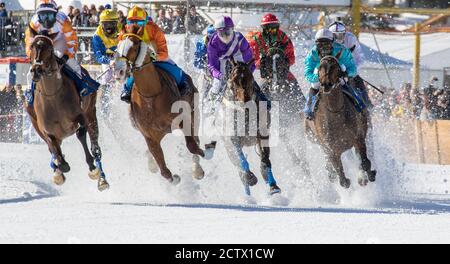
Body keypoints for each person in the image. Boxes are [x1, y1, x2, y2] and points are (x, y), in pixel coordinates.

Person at [119, 6, 193, 103]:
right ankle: (127, 89)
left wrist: (154, 57)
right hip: (137, 61)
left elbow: (164, 53)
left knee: (175, 69)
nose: (134, 26)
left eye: (139, 23)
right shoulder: (124, 31)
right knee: (134, 71)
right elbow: (121, 50)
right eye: (131, 22)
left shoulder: (154, 29)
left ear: (145, 22)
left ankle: (184, 82)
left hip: (155, 56)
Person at [206, 16, 268, 116]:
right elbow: (212, 65)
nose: (225, 36)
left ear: (232, 29)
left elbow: (250, 59)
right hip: (221, 62)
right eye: (221, 33)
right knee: (217, 85)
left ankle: (265, 105)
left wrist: (247, 75)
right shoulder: (212, 43)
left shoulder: (240, 39)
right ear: (217, 32)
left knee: (250, 83)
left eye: (227, 32)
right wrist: (220, 76)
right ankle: (211, 109)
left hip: (238, 59)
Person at [25, 0, 80, 105]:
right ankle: (29, 90)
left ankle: (82, 88)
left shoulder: (63, 20)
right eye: (42, 16)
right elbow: (29, 43)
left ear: (56, 13)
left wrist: (67, 56)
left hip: (59, 40)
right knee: (31, 69)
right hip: (42, 42)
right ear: (38, 15)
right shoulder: (33, 23)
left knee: (72, 64)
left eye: (49, 16)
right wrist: (31, 57)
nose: (46, 20)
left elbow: (72, 40)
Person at [303, 28, 357, 120]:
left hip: (338, 76)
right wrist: (318, 78)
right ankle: (308, 110)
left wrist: (347, 74)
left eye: (326, 43)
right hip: (320, 77)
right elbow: (307, 73)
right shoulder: (312, 53)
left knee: (347, 82)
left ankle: (360, 107)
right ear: (316, 43)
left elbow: (353, 68)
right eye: (320, 44)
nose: (323, 47)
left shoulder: (342, 50)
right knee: (314, 85)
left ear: (332, 42)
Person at [248, 13, 298, 87]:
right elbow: (251, 61)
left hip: (283, 70)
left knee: (295, 87)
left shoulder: (283, 37)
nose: (271, 32)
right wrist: (262, 62)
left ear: (277, 28)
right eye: (268, 29)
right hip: (266, 73)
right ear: (263, 29)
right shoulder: (256, 40)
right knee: (260, 91)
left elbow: (292, 57)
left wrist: (285, 62)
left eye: (273, 29)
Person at [329, 19, 370, 105]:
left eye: (339, 35)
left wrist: (351, 71)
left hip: (349, 71)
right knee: (316, 87)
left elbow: (360, 58)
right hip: (330, 72)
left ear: (344, 34)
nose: (337, 38)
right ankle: (309, 109)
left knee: (361, 87)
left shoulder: (351, 39)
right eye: (334, 36)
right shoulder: (326, 40)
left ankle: (367, 106)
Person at [93, 9, 120, 86]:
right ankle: (105, 96)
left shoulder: (123, 30)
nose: (109, 27)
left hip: (123, 56)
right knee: (107, 76)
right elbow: (99, 56)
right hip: (108, 58)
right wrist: (109, 61)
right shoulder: (97, 36)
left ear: (116, 23)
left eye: (111, 24)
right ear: (101, 24)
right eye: (105, 24)